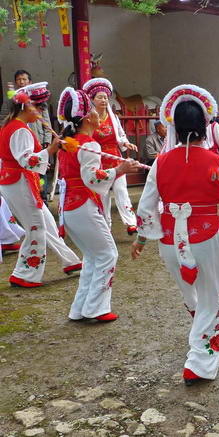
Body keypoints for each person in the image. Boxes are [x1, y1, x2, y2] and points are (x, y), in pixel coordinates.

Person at [132, 85, 219, 384]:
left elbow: (147, 206)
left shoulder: (161, 161)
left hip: (171, 240)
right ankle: (199, 361)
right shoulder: (215, 161)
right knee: (210, 297)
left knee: (193, 295)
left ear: (172, 126)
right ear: (205, 127)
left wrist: (142, 238)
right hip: (205, 237)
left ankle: (203, 334)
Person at [56, 87, 139, 322]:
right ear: (86, 118)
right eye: (93, 109)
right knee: (107, 255)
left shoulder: (69, 143)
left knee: (93, 257)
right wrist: (119, 169)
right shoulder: (88, 144)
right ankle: (96, 308)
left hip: (71, 207)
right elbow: (92, 179)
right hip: (83, 204)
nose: (97, 113)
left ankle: (81, 308)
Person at [0, 83, 81, 287]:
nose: (40, 111)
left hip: (19, 182)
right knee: (35, 227)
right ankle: (24, 273)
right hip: (20, 182)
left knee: (47, 224)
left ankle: (70, 261)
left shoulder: (15, 127)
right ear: (26, 107)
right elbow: (27, 160)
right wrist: (51, 150)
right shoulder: (20, 130)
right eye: (38, 107)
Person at [82, 78, 138, 235]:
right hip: (98, 159)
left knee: (122, 190)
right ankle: (105, 225)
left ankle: (131, 222)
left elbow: (120, 134)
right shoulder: (89, 119)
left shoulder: (113, 117)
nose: (104, 100)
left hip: (115, 156)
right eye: (99, 97)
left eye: (106, 97)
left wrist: (126, 143)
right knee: (103, 194)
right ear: (92, 99)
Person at [14, 70, 53, 204]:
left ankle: (43, 199)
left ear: (30, 82)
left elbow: (46, 124)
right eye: (19, 79)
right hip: (23, 146)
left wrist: (47, 142)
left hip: (39, 142)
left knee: (41, 173)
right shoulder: (12, 104)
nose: (21, 82)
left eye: (24, 79)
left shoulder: (39, 101)